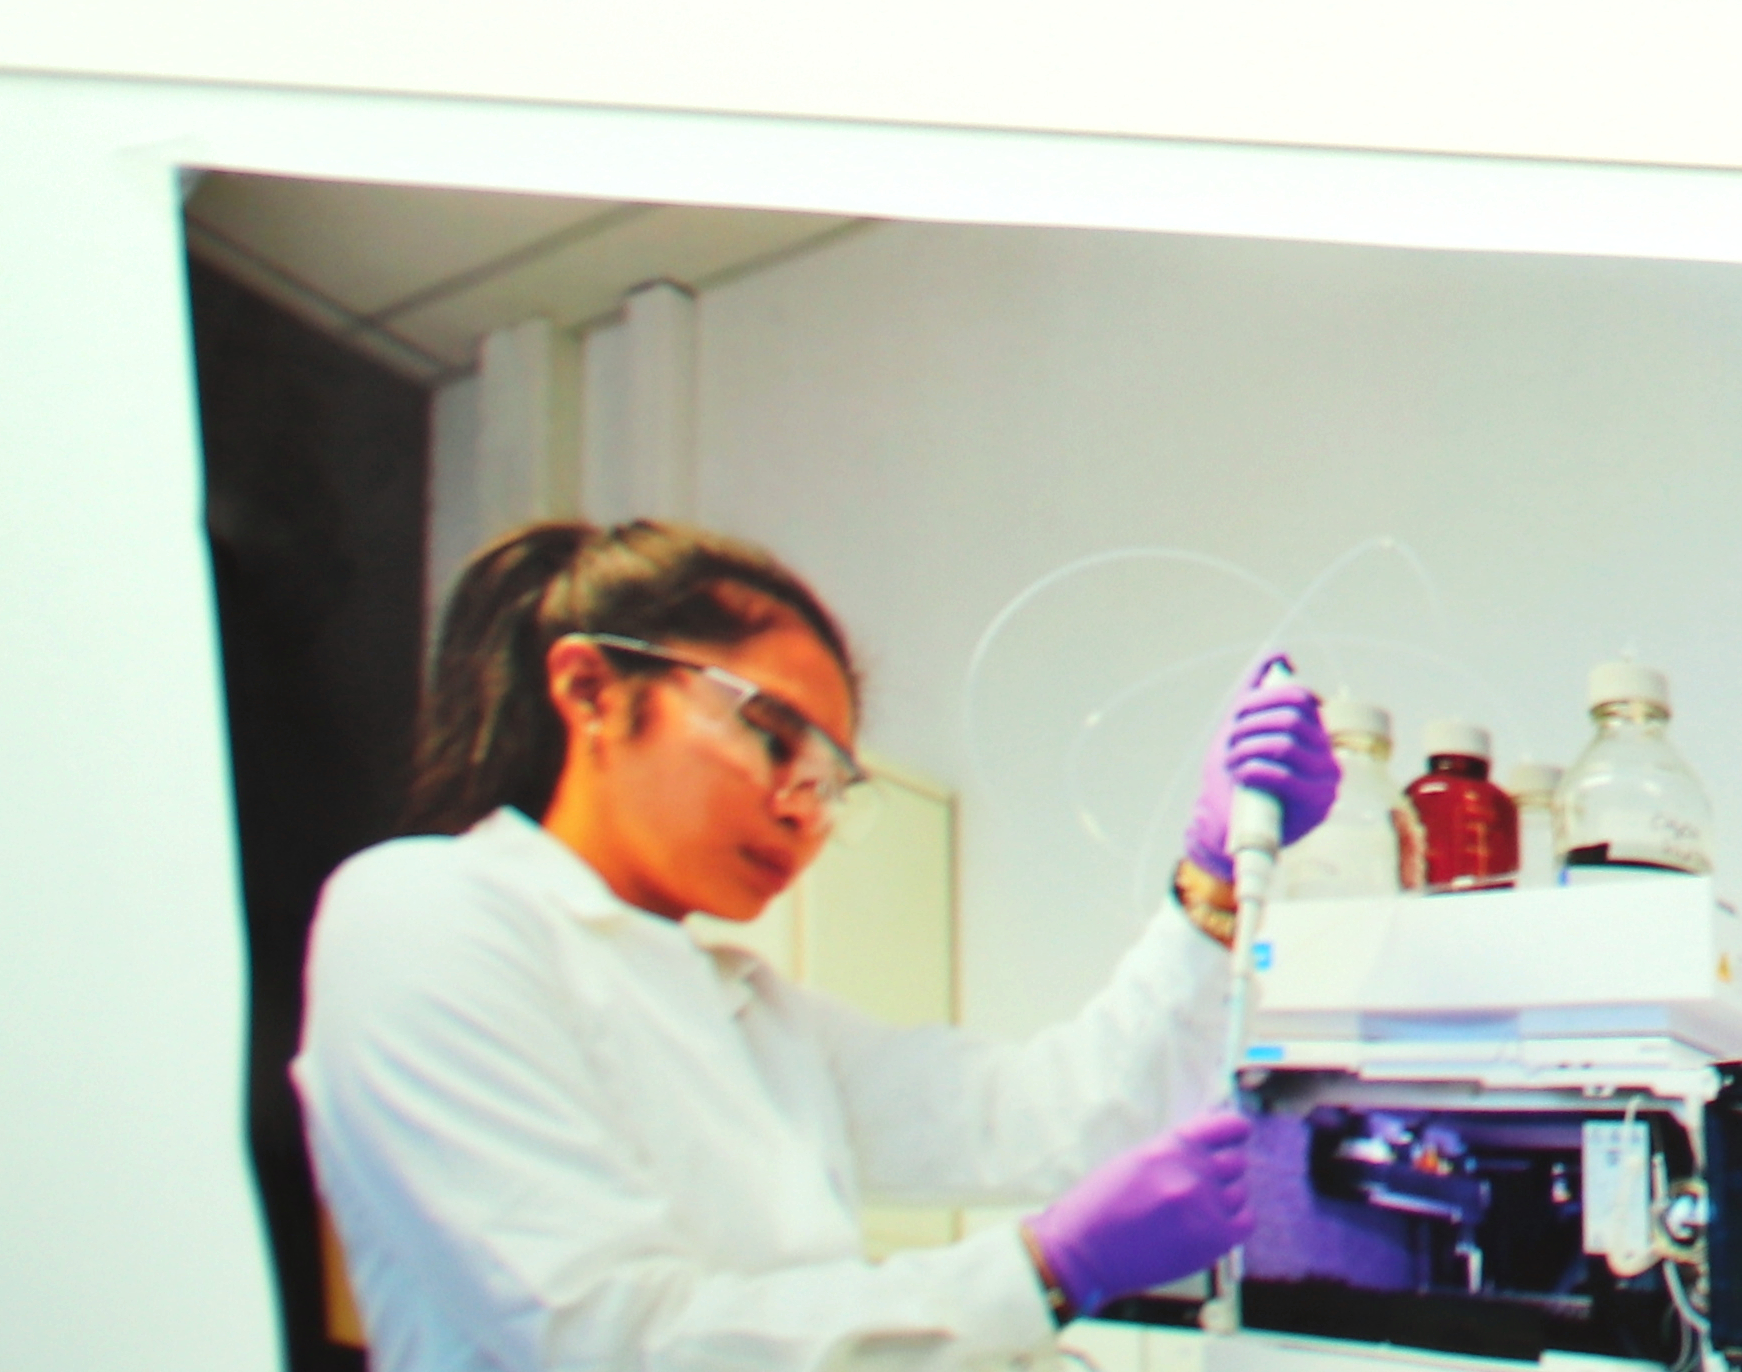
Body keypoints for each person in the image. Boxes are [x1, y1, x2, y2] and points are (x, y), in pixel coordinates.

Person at [298, 518, 1340, 1367]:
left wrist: (1209, 880)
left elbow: (1046, 1114)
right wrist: (1043, 1270)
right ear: (591, 691)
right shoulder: (422, 914)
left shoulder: (746, 1006)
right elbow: (601, 1338)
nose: (807, 805)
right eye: (770, 732)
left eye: (835, 776)